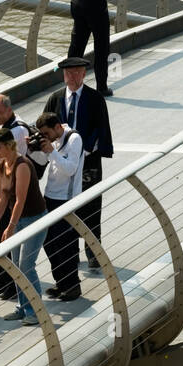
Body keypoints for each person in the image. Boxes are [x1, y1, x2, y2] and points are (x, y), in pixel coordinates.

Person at [46, 56, 114, 270]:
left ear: (84, 74)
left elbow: (101, 127)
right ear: (64, 75)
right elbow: (45, 127)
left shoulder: (95, 99)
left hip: (88, 160)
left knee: (91, 206)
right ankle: (69, 254)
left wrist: (84, 149)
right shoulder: (55, 98)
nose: (72, 76)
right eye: (68, 72)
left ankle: (94, 252)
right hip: (62, 161)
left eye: (77, 72)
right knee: (64, 205)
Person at [0, 128, 45, 324]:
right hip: (17, 220)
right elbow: (2, 198)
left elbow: (20, 200)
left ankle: (36, 311)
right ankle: (23, 307)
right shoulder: (2, 164)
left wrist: (10, 226)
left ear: (10, 145)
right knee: (17, 266)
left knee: (27, 265)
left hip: (34, 219)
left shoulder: (22, 165)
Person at [0, 93, 35, 298]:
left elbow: (9, 158)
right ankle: (0, 281)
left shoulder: (17, 130)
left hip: (5, 195)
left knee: (5, 240)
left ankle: (12, 284)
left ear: (9, 110)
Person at [35, 110, 85, 301]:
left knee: (66, 244)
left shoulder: (74, 139)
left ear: (57, 127)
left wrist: (52, 151)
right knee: (49, 242)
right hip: (50, 196)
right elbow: (42, 162)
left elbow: (70, 169)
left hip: (67, 199)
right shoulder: (52, 140)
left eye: (46, 133)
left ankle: (72, 286)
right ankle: (61, 282)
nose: (45, 137)